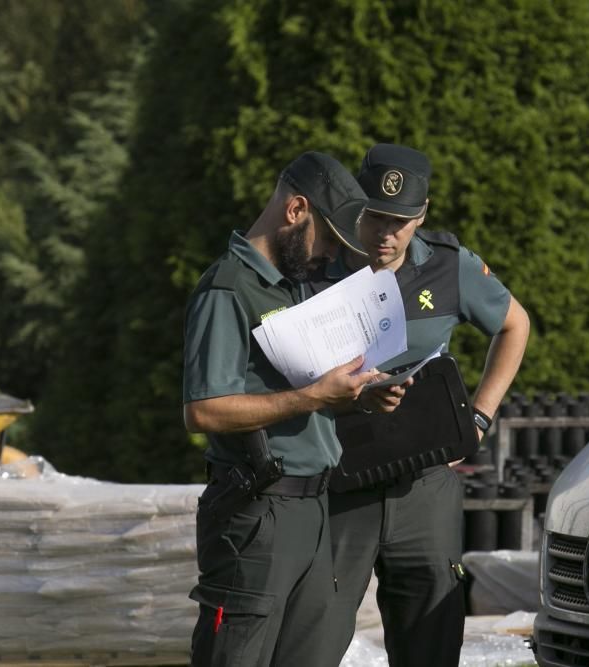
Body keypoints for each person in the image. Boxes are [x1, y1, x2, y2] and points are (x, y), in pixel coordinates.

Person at [307, 143, 531, 666]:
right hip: (339, 482)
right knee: (314, 637)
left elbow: (515, 325)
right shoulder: (314, 271)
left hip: (424, 483)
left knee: (429, 641)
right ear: (355, 209)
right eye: (376, 218)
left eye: (401, 222)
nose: (387, 235)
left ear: (422, 216)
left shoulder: (450, 268)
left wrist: (478, 417)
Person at [182, 151, 407, 667]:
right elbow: (203, 411)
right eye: (325, 239)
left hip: (314, 509)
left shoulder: (297, 286)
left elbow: (307, 388)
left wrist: (357, 394)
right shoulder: (228, 289)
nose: (328, 255)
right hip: (257, 511)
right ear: (295, 209)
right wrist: (312, 398)